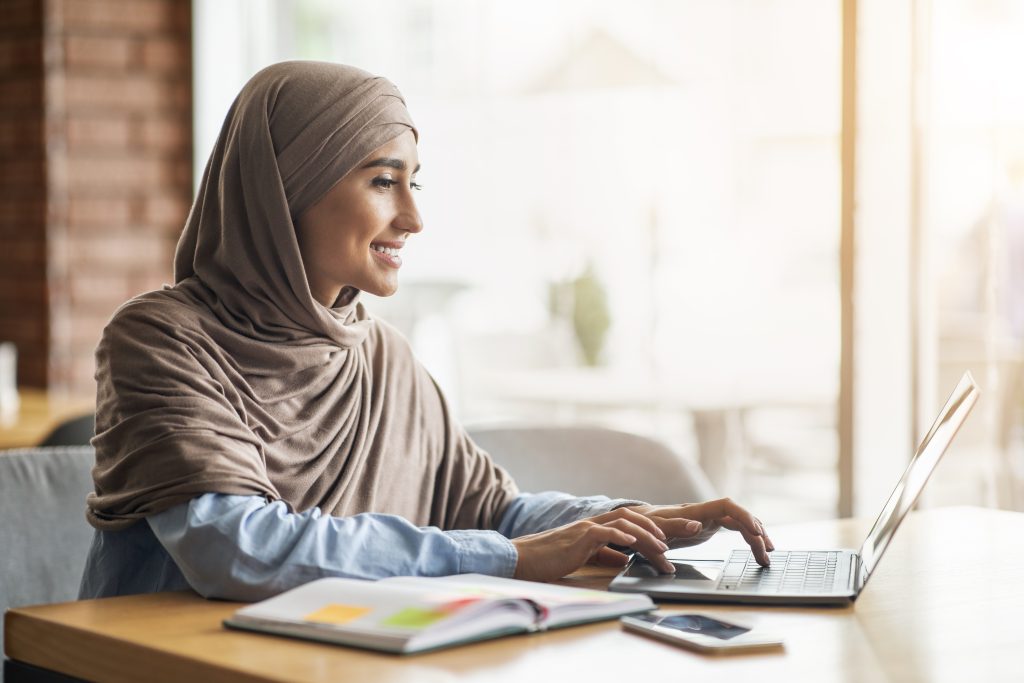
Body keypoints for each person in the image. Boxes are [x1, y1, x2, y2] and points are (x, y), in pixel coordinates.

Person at [79, 61, 773, 602]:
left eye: (416, 182)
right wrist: (508, 558)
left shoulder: (379, 355)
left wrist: (634, 519)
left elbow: (492, 510)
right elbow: (235, 546)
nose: (414, 217)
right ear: (284, 189)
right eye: (384, 181)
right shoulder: (160, 339)